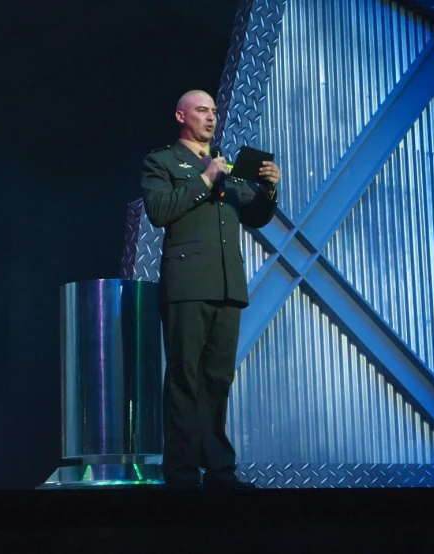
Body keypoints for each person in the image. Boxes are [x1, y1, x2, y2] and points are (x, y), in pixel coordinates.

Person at [141, 90, 281, 490]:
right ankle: (182, 475)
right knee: (184, 379)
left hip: (226, 287)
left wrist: (268, 189)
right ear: (180, 115)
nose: (211, 117)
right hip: (187, 286)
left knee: (217, 381)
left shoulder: (229, 168)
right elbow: (159, 211)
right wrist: (205, 179)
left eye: (214, 111)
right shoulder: (162, 161)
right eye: (202, 110)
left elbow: (254, 215)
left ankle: (220, 472)